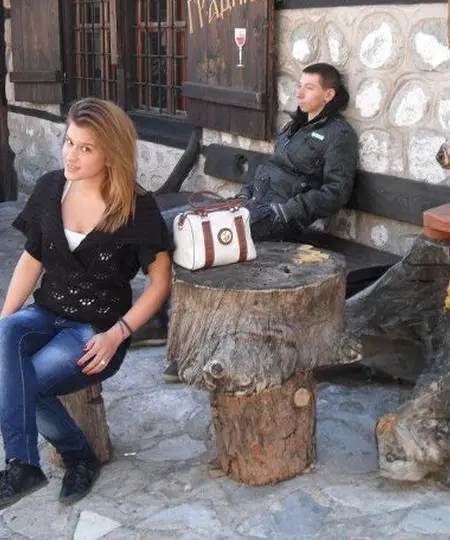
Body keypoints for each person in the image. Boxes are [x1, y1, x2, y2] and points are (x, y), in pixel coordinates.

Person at [0, 98, 171, 509]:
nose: (70, 155)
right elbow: (31, 259)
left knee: (25, 384)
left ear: (110, 153)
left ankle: (78, 457)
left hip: (96, 332)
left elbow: (160, 283)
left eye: (85, 148)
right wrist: (4, 324)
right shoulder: (50, 188)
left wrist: (118, 334)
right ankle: (22, 464)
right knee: (7, 343)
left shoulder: (136, 207)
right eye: (69, 142)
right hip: (46, 313)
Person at [162, 62, 358, 381]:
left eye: (309, 87)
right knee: (174, 223)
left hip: (280, 218)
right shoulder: (294, 126)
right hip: (252, 205)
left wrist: (291, 209)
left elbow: (337, 192)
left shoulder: (338, 136)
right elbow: (270, 168)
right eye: (300, 85)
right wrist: (246, 192)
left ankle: (189, 345)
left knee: (201, 239)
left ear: (329, 95)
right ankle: (165, 320)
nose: (299, 92)